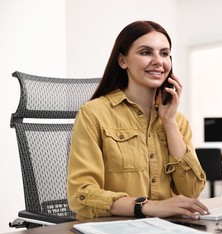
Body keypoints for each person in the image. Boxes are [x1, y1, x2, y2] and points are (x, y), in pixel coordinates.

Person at [67, 20, 208, 220]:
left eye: (164, 53)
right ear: (122, 61)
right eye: (145, 52)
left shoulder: (177, 121)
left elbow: (192, 191)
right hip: (112, 232)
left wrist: (169, 123)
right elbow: (81, 194)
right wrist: (149, 207)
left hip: (167, 230)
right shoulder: (93, 114)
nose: (158, 61)